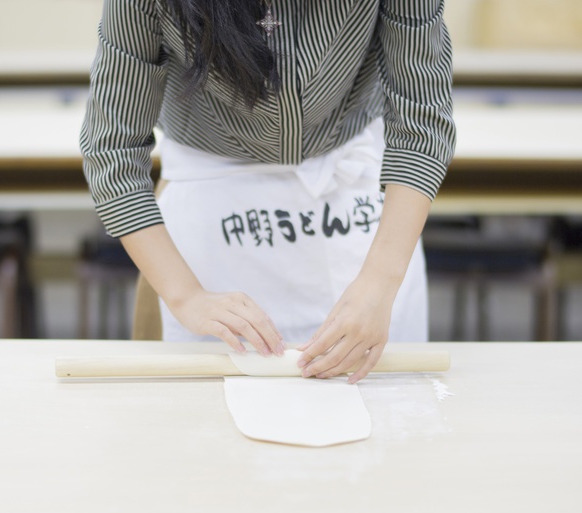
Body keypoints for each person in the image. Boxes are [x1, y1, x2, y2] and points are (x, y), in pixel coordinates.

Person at [80, 0, 456, 383]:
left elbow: (422, 125)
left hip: (356, 201)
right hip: (209, 194)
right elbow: (113, 152)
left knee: (384, 418)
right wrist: (187, 296)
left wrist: (379, 284)